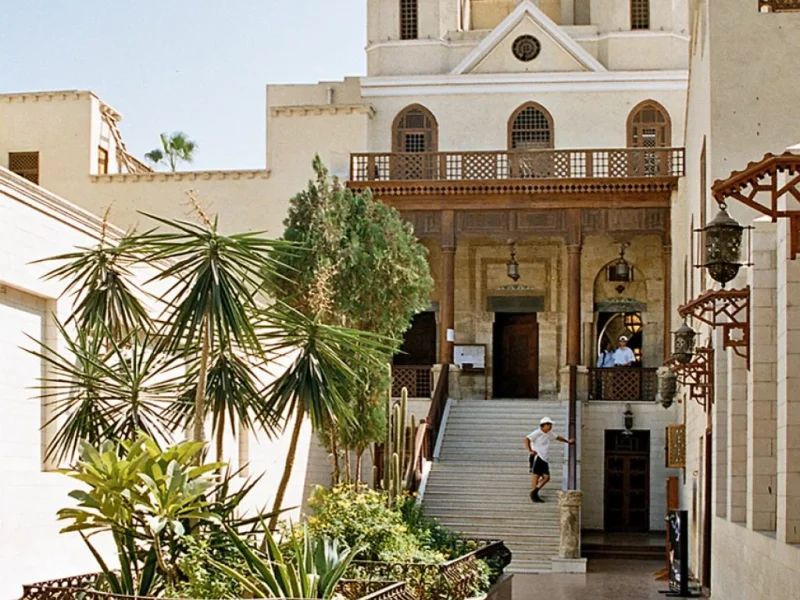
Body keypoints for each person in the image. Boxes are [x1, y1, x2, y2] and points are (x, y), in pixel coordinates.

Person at [525, 417, 575, 503]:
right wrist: (530, 450)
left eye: (551, 424)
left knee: (546, 477)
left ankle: (534, 492)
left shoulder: (549, 433)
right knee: (536, 475)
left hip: (544, 458)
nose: (550, 426)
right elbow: (526, 439)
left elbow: (558, 437)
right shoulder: (537, 433)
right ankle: (534, 495)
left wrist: (568, 441)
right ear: (543, 425)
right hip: (537, 457)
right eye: (549, 424)